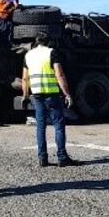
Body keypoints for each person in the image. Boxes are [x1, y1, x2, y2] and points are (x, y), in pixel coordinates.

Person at [22, 32, 81, 167]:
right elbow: (59, 74)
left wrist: (25, 95)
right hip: (52, 94)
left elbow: (25, 78)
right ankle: (62, 157)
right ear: (48, 42)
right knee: (58, 125)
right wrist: (67, 94)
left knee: (40, 126)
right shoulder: (52, 52)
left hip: (37, 95)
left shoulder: (28, 55)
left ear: (36, 42)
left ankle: (42, 158)